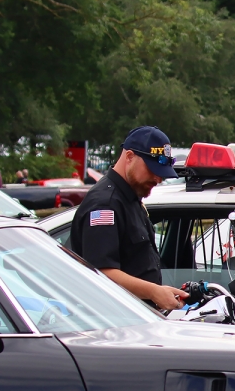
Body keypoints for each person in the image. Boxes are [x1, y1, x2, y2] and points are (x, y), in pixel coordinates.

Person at [70, 126, 188, 310]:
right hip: (113, 322)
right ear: (129, 157)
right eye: (152, 169)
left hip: (136, 317)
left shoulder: (131, 198)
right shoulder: (105, 205)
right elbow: (101, 273)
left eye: (161, 173)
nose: (158, 179)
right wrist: (153, 292)